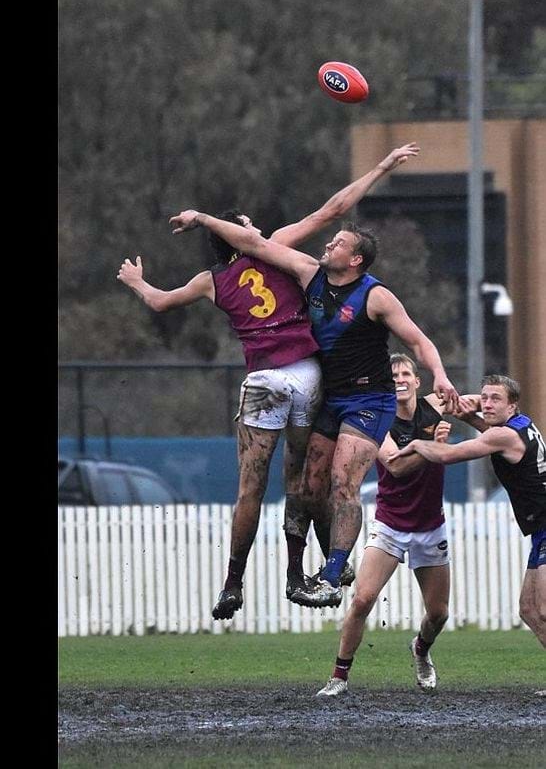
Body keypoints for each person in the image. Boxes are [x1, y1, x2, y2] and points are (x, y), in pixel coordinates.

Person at [118, 143, 420, 617]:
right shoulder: (276, 248)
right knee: (305, 478)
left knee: (250, 489)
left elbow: (159, 301)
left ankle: (232, 584)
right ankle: (302, 573)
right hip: (307, 374)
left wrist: (136, 280)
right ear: (241, 233)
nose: (254, 227)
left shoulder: (210, 280)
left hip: (263, 381)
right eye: (247, 225)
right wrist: (381, 166)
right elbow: (333, 209)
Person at [170, 208, 459, 610]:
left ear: (355, 259)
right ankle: (323, 567)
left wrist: (440, 374)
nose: (328, 244)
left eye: (338, 243)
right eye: (332, 239)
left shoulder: (375, 296)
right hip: (330, 397)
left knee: (343, 482)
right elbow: (254, 243)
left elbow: (418, 340)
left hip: (368, 401)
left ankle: (331, 576)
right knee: (310, 486)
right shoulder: (310, 274)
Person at [317, 353, 462, 697]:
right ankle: (339, 677)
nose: (399, 379)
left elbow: (474, 404)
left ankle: (421, 649)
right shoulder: (378, 421)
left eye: (405, 374)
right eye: (393, 375)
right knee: (362, 599)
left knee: (439, 614)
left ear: (417, 381)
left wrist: (498, 426)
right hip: (390, 525)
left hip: (430, 526)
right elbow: (395, 466)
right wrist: (433, 447)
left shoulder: (434, 406)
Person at [389, 374, 546, 691]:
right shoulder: (518, 425)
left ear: (512, 406)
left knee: (543, 608)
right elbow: (483, 421)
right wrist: (467, 411)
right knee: (529, 609)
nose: (487, 403)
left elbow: (449, 455)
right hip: (539, 529)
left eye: (495, 399)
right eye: (484, 397)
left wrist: (417, 443)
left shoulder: (504, 435)